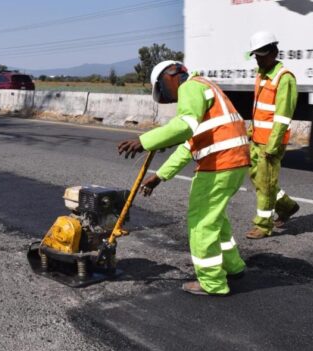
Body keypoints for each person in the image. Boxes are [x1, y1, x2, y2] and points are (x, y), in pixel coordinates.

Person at [117, 61, 250, 296]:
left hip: (218, 164)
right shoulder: (207, 88)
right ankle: (233, 266)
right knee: (216, 219)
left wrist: (143, 141)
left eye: (162, 88)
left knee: (201, 223)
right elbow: (189, 145)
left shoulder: (191, 87)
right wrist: (160, 176)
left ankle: (212, 282)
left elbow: (183, 126)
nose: (168, 96)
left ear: (171, 76)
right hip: (235, 163)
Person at [245, 31, 300, 239]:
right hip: (257, 138)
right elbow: (259, 108)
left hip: (271, 142)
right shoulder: (261, 74)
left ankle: (263, 225)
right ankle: (287, 205)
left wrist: (272, 146)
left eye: (262, 55)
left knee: (265, 183)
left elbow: (283, 117)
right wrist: (251, 130)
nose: (258, 59)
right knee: (257, 178)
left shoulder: (284, 78)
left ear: (274, 52)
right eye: (256, 55)